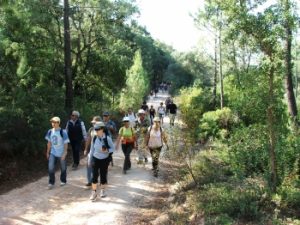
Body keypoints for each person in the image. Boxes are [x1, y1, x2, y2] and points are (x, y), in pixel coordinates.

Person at [88, 122, 115, 202]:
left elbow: (113, 148)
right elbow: (92, 149)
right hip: (95, 158)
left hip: (104, 159)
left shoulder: (107, 138)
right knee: (94, 176)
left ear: (102, 129)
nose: (96, 131)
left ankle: (102, 191)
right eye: (95, 129)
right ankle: (94, 193)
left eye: (98, 129)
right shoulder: (94, 138)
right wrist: (90, 159)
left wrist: (107, 150)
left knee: (103, 176)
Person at [45, 117, 70, 189]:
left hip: (61, 152)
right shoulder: (50, 131)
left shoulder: (63, 132)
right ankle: (51, 183)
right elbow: (49, 143)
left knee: (63, 168)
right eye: (52, 122)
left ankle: (63, 180)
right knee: (51, 168)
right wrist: (47, 152)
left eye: (55, 122)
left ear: (58, 123)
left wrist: (65, 153)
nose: (53, 123)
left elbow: (66, 143)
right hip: (53, 152)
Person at [83, 116, 102, 187]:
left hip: (100, 151)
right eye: (93, 123)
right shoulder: (91, 130)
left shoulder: (103, 129)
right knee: (89, 164)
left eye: (95, 123)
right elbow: (88, 139)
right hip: (92, 150)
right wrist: (85, 149)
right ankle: (89, 181)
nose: (93, 124)